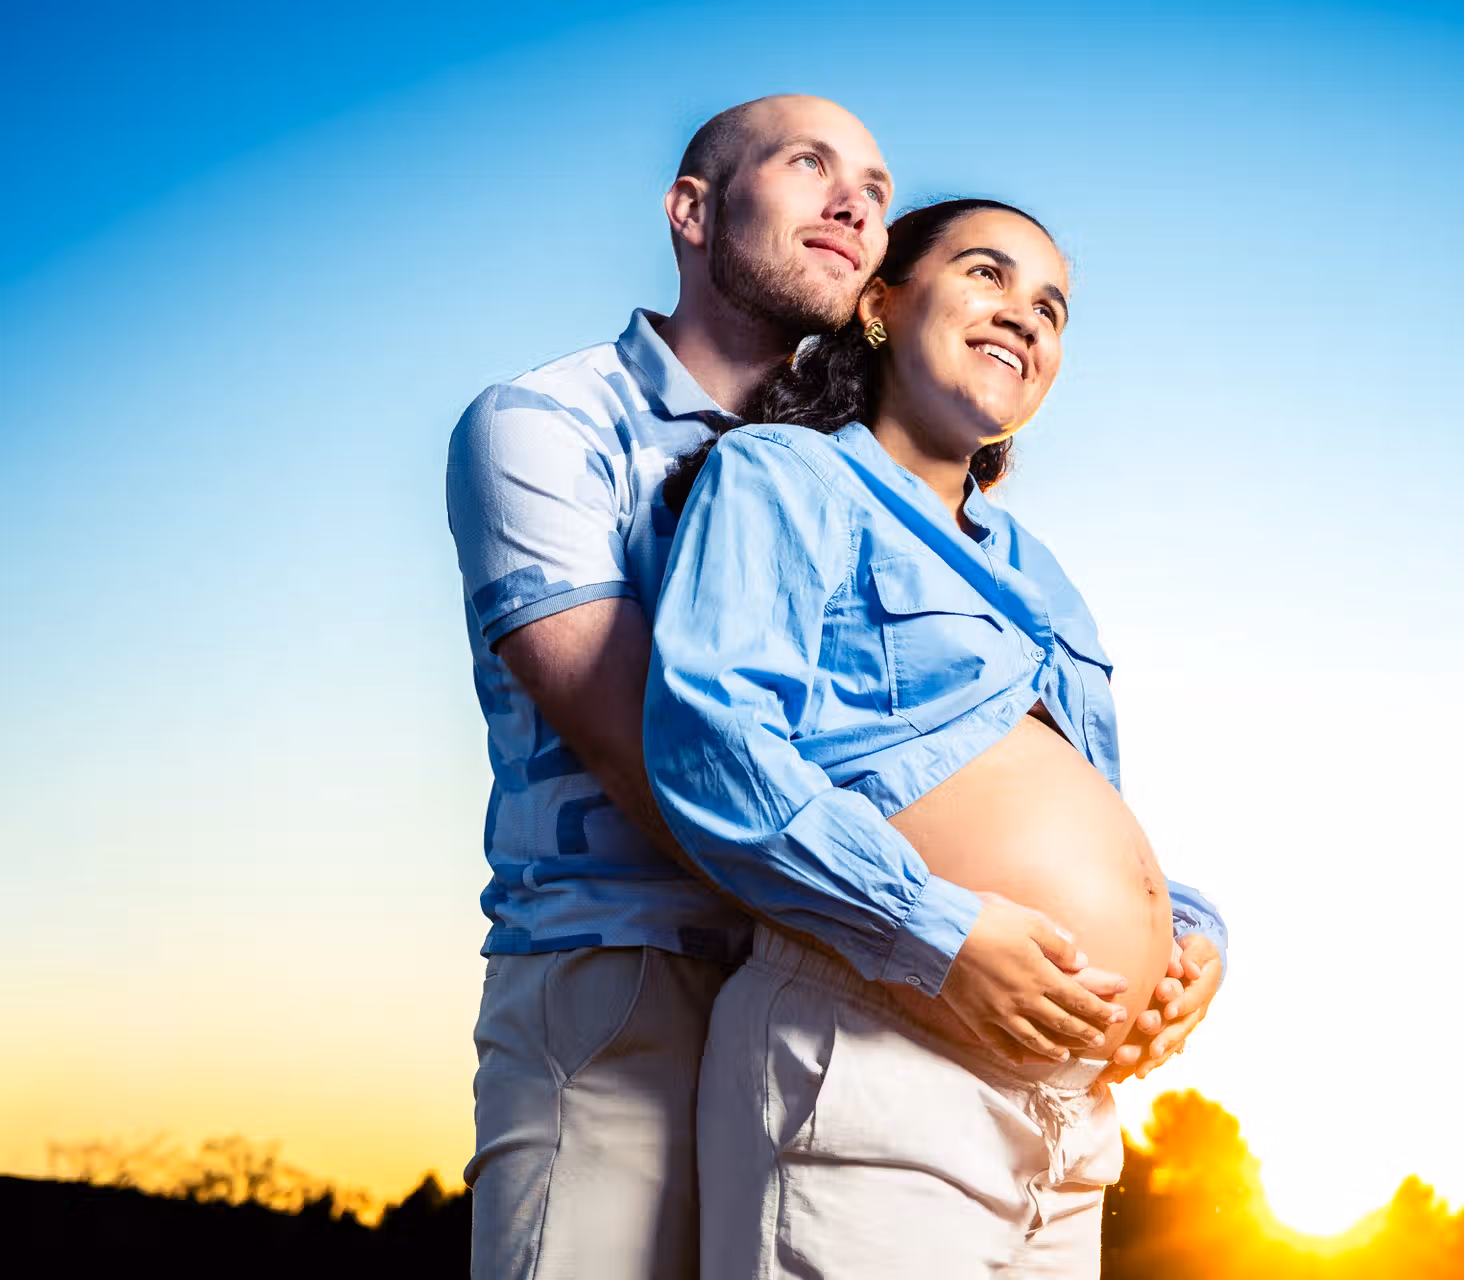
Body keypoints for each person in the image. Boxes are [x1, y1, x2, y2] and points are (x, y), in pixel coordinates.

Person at [445, 97, 1223, 1279]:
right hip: (640, 974)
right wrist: (932, 929)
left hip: (913, 1004)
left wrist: (1165, 932)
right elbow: (663, 750)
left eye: (874, 178)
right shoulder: (562, 429)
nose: (856, 199)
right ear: (692, 209)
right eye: (811, 165)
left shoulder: (958, 526)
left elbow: (1010, 766)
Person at [644, 198, 1224, 1278]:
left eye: (1050, 305)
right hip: (876, 1062)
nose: (1026, 315)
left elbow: (1055, 796)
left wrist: (1184, 938)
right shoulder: (786, 476)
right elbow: (711, 744)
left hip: (1071, 1127)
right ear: (879, 303)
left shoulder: (1037, 570)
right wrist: (935, 928)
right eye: (987, 275)